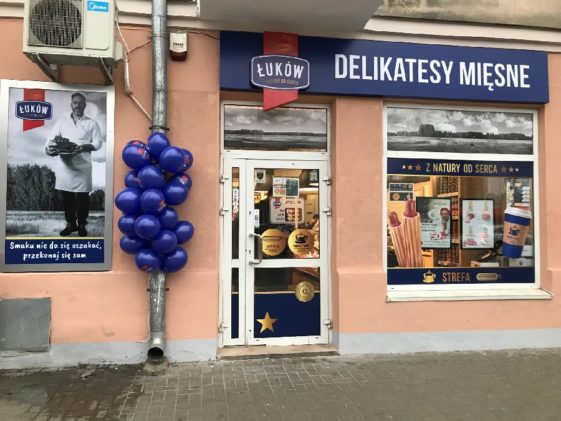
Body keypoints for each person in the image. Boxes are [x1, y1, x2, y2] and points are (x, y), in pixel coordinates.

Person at [45, 93, 102, 237]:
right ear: (71, 105)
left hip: (84, 166)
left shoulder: (92, 123)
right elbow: (50, 140)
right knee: (67, 197)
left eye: (80, 103)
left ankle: (82, 225)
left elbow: (98, 143)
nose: (77, 105)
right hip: (65, 166)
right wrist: (49, 150)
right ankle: (71, 224)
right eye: (75, 103)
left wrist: (83, 147)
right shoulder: (61, 122)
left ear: (84, 105)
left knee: (83, 197)